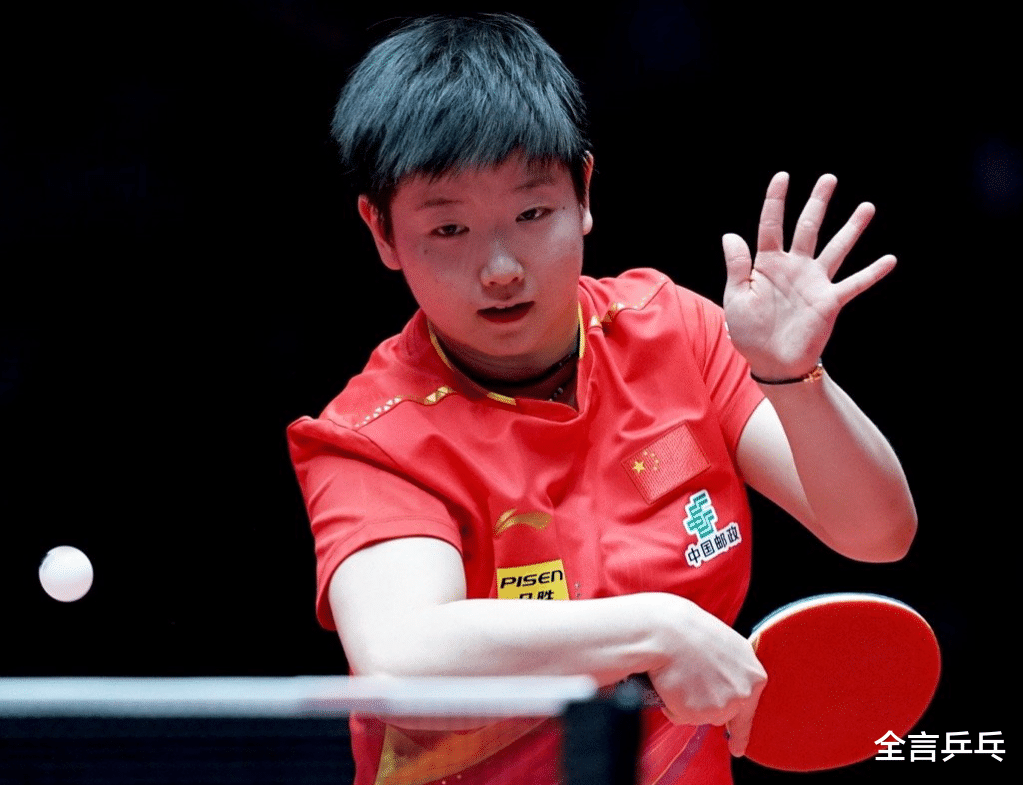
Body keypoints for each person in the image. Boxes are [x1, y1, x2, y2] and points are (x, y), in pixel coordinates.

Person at [287, 13, 916, 785]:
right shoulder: (371, 435)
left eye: (531, 214)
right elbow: (403, 661)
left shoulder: (674, 331)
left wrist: (793, 378)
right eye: (448, 228)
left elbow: (875, 533)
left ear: (583, 192)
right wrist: (654, 628)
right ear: (381, 230)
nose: (500, 267)